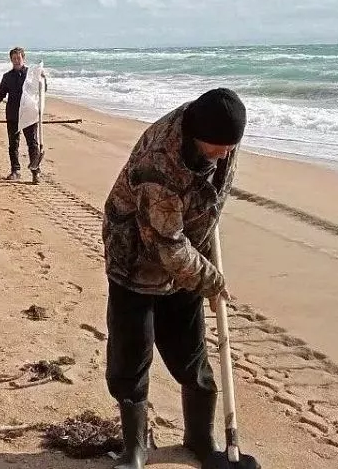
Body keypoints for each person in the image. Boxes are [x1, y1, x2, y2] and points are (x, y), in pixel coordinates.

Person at [101, 88, 246, 469]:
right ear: (197, 137)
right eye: (219, 147)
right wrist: (212, 280)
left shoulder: (220, 133)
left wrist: (205, 248)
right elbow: (168, 247)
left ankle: (200, 438)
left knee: (191, 352)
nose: (226, 154)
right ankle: (135, 447)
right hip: (134, 259)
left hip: (185, 252)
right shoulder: (159, 164)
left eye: (231, 146)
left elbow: (211, 195)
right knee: (132, 355)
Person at [0, 46, 41, 183]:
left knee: (32, 143)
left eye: (19, 58)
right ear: (11, 60)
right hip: (13, 113)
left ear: (23, 58)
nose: (16, 60)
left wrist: (42, 80)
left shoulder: (31, 75)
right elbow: (1, 93)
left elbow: (41, 90)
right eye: (14, 58)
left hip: (29, 113)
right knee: (13, 144)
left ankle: (35, 172)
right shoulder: (7, 76)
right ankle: (15, 170)